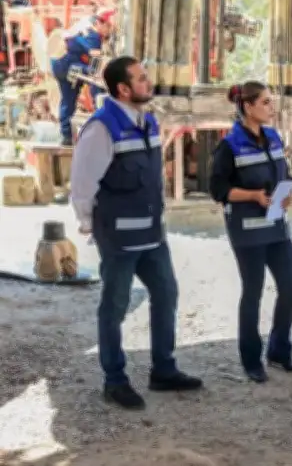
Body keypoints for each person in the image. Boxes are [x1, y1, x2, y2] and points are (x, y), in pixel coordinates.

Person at [70, 55, 203, 409]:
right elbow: (82, 186)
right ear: (122, 88)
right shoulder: (101, 128)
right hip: (119, 238)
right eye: (141, 79)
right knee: (114, 306)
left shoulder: (148, 121)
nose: (149, 83)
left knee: (166, 294)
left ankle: (163, 370)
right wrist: (92, 226)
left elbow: (153, 177)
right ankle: (114, 380)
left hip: (152, 234)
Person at [209, 81, 292, 384]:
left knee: (290, 287)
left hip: (276, 225)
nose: (271, 106)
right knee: (253, 292)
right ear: (247, 107)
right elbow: (218, 189)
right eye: (265, 102)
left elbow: (285, 174)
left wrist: (289, 193)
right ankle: (252, 360)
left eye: (270, 101)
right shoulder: (230, 145)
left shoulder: (274, 137)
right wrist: (252, 196)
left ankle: (279, 351)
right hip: (247, 230)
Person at [51, 9, 114, 146]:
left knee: (68, 100)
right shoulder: (93, 36)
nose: (109, 31)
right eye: (108, 27)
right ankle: (101, 118)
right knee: (98, 82)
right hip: (67, 64)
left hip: (61, 62)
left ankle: (67, 136)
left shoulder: (86, 25)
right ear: (99, 23)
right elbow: (96, 60)